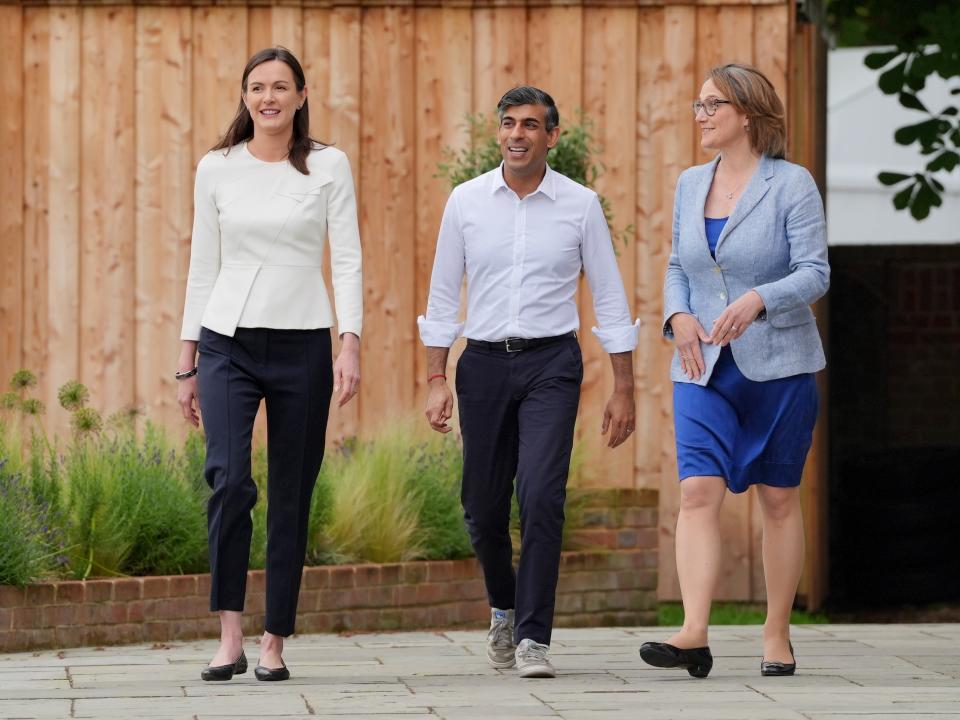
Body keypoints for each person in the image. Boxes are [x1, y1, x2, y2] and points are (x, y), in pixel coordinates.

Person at [418, 86, 638, 679]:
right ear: (499, 133)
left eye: (531, 125)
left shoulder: (580, 205)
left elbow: (612, 299)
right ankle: (504, 608)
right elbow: (442, 295)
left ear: (552, 136)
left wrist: (624, 386)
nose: (518, 134)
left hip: (551, 366)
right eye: (509, 124)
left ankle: (534, 638)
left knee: (541, 496)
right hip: (483, 366)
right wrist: (436, 377)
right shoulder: (465, 203)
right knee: (481, 509)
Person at [176, 46, 362, 682]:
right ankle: (229, 634)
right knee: (228, 480)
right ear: (245, 96)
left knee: (291, 493)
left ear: (301, 96)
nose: (269, 97)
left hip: (303, 342)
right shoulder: (216, 168)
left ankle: (274, 639)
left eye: (281, 86)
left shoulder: (329, 166)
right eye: (258, 87)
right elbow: (204, 262)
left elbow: (347, 259)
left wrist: (351, 340)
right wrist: (186, 360)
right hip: (225, 342)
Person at [638, 63, 829, 679]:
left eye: (712, 104)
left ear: (747, 113)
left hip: (778, 366)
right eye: (698, 104)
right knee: (697, 491)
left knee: (778, 498)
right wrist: (677, 315)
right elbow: (677, 266)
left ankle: (776, 633)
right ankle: (694, 632)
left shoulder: (791, 183)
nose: (701, 114)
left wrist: (759, 299)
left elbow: (815, 272)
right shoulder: (691, 183)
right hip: (701, 367)